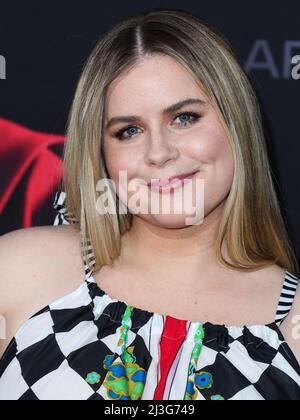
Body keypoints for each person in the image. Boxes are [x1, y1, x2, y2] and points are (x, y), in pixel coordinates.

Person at [0, 9, 299, 400]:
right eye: (129, 131)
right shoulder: (19, 272)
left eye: (185, 117)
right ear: (102, 152)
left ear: (236, 123)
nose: (159, 152)